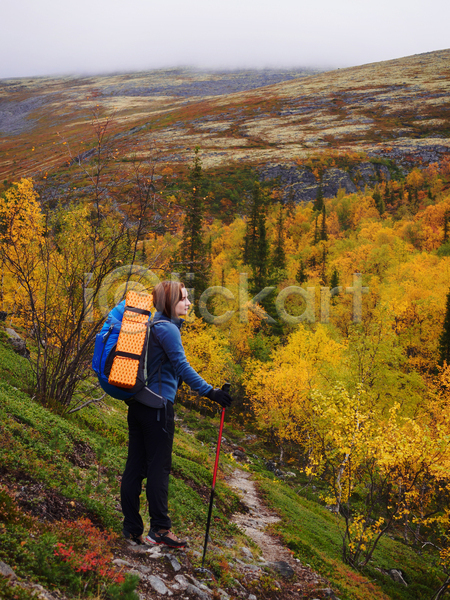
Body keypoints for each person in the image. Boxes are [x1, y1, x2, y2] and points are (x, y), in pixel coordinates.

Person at [120, 280, 233, 548]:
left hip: (137, 404)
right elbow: (182, 367)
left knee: (135, 466)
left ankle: (132, 528)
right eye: (184, 298)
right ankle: (160, 529)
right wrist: (211, 393)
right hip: (158, 408)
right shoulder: (168, 330)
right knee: (159, 468)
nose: (189, 303)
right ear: (171, 302)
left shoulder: (150, 326)